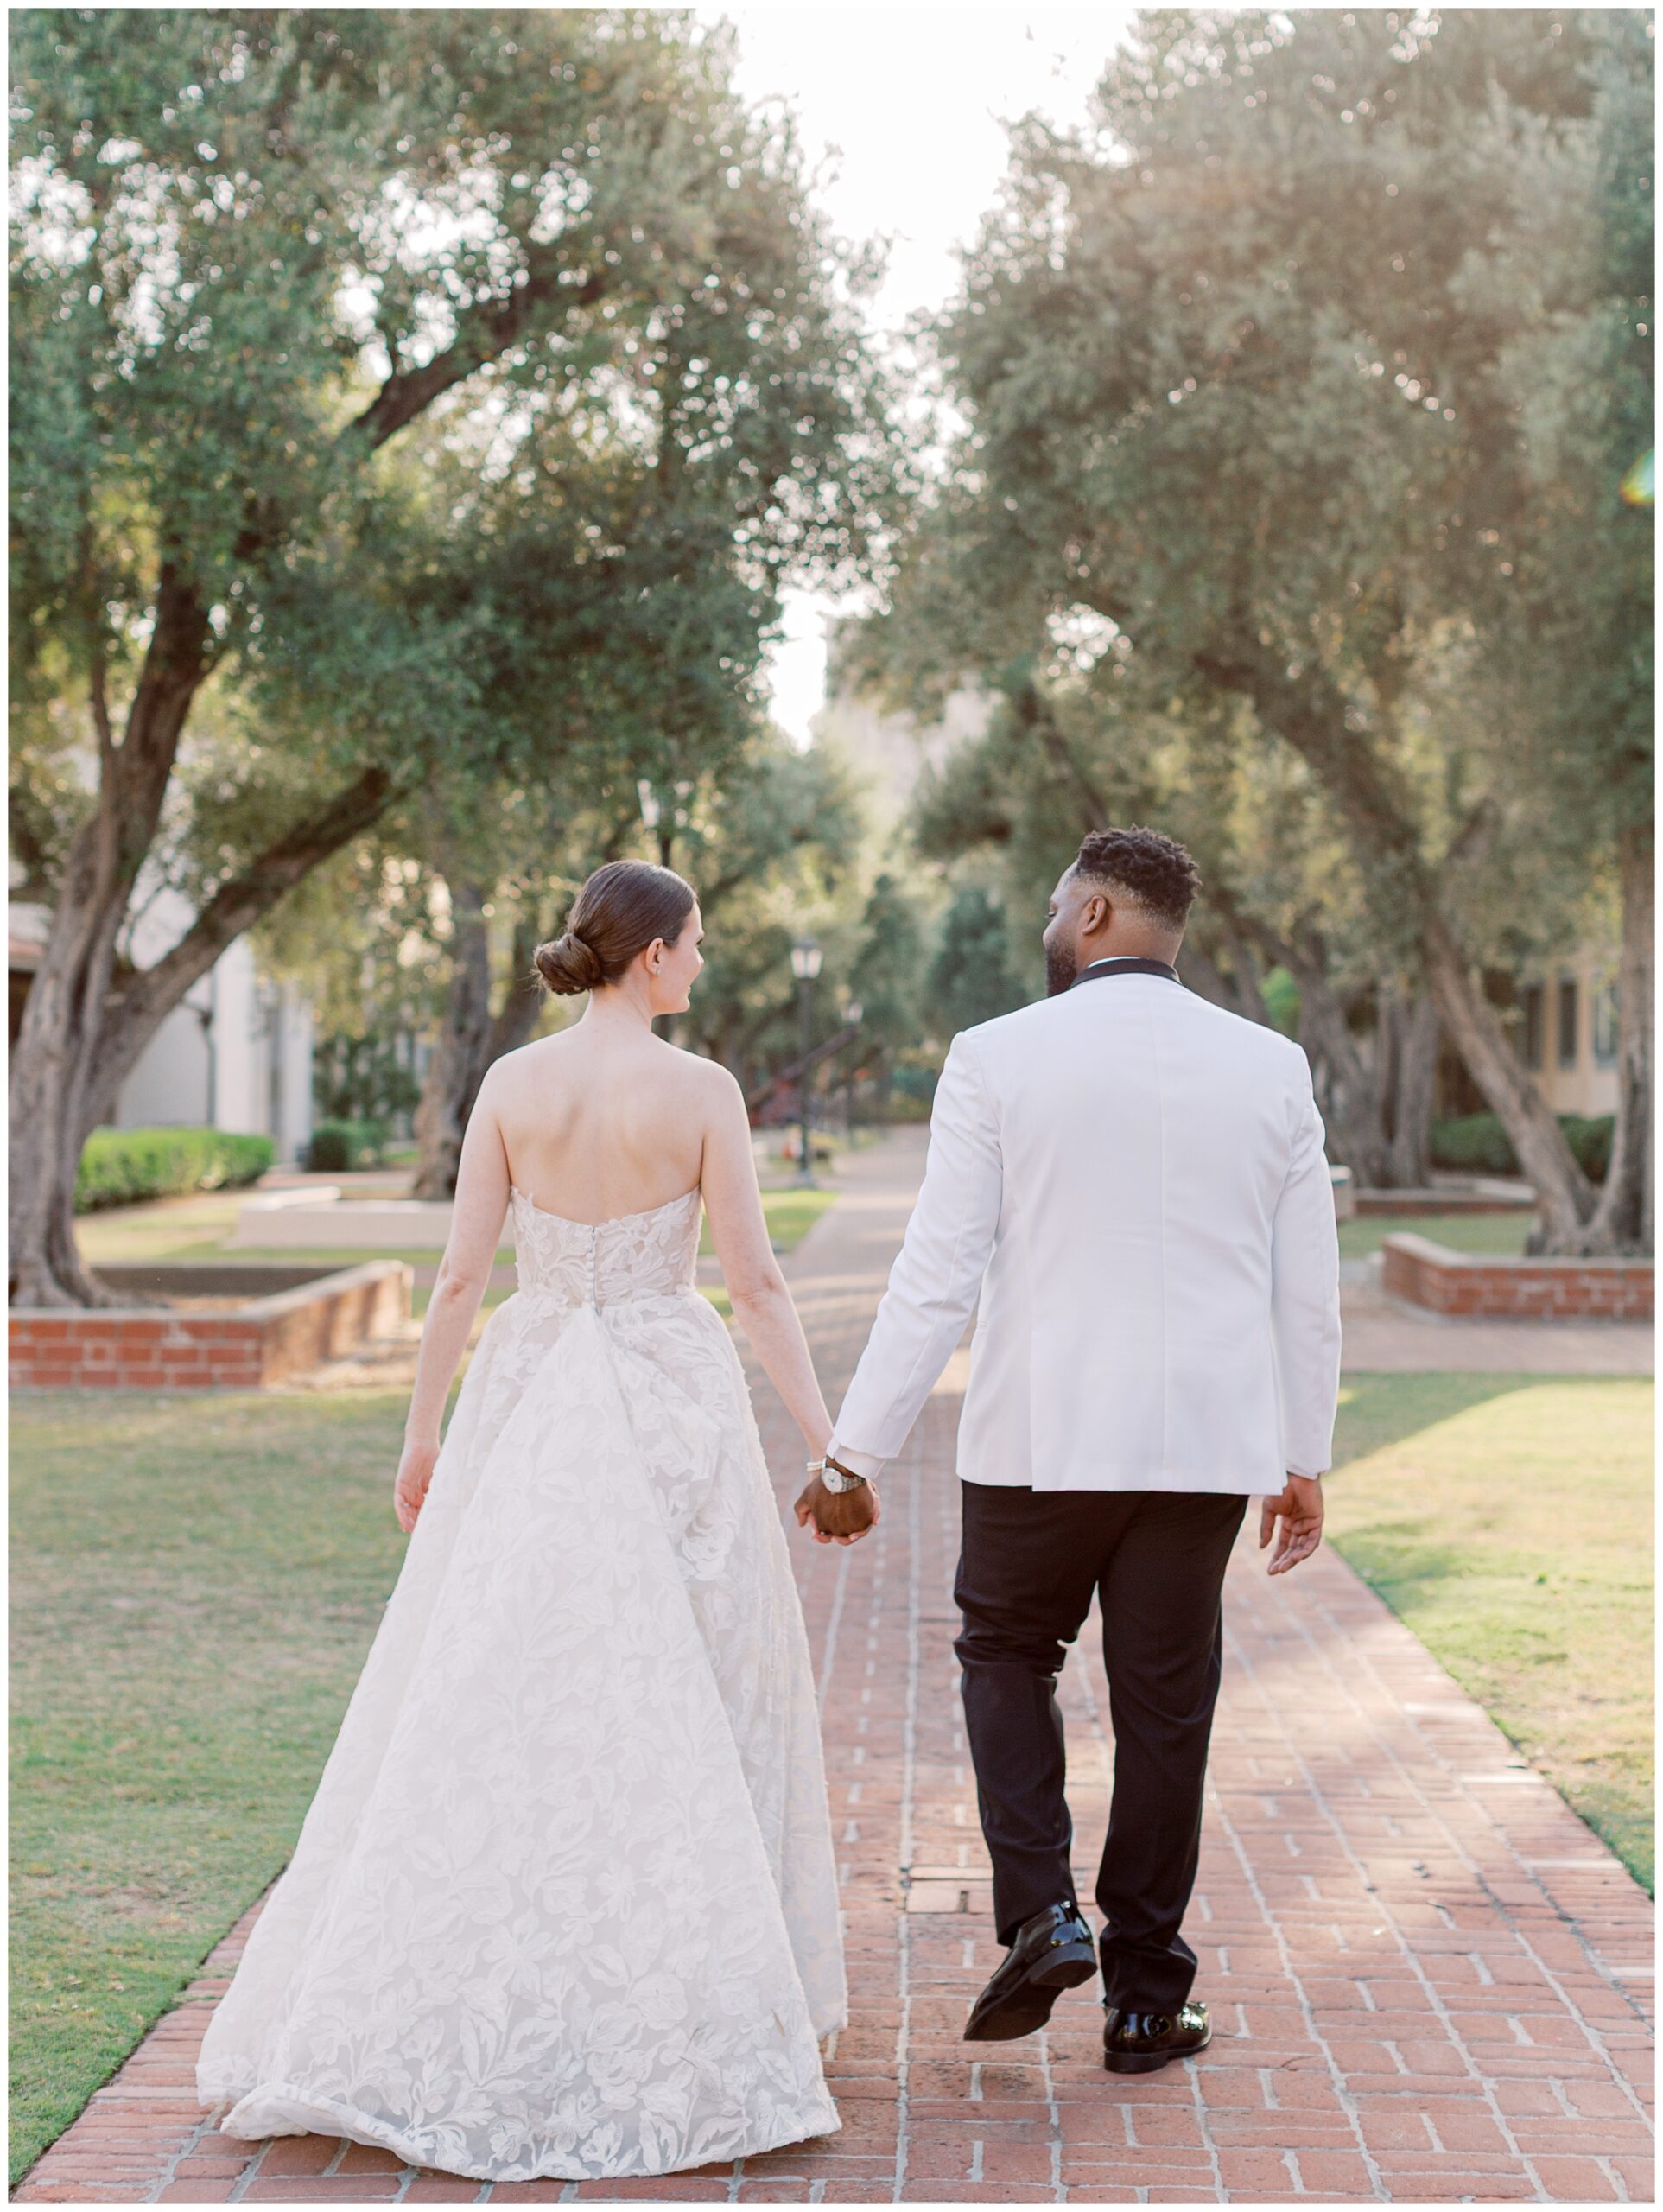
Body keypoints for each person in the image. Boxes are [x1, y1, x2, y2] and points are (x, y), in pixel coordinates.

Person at [196, 860, 848, 2182]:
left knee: (505, 1680)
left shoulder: (510, 1084)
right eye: (699, 945)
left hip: (531, 1383)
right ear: (654, 955)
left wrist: (420, 1429)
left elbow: (456, 1278)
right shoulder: (703, 1092)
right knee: (681, 1686)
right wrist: (832, 1441)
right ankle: (670, 1986)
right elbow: (758, 1284)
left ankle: (501, 1980)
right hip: (668, 1396)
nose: (704, 965)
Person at [801, 825, 1342, 2075]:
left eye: (1057, 906)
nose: (1048, 927)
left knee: (1005, 1649)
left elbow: (936, 1274)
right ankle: (1148, 2000)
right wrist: (1300, 1453)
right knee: (1166, 1711)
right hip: (1203, 1447)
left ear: (1094, 912)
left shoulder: (995, 1055)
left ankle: (1041, 1914)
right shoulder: (1269, 1066)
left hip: (1040, 1436)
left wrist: (853, 1454)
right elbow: (1301, 1286)